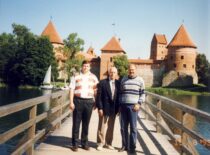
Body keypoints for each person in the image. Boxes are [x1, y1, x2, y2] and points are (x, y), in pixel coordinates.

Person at [69, 60, 98, 152]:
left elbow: (96, 91)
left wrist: (96, 102)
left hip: (89, 101)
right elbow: (71, 89)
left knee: (86, 124)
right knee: (76, 123)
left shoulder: (94, 77)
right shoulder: (75, 76)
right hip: (78, 101)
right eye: (84, 66)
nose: (85, 67)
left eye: (87, 66)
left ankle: (84, 143)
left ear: (90, 67)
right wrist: (71, 102)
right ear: (82, 66)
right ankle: (75, 144)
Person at [119, 64, 145, 153]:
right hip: (123, 106)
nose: (131, 71)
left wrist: (139, 103)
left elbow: (143, 94)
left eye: (133, 70)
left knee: (133, 128)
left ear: (136, 70)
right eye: (130, 70)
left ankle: (132, 147)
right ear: (128, 70)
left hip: (134, 107)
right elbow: (120, 93)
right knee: (123, 127)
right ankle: (124, 146)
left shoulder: (140, 80)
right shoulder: (123, 79)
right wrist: (120, 104)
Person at [96, 66, 120, 151]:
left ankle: (109, 143)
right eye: (111, 72)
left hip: (114, 109)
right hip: (104, 107)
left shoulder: (118, 83)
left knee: (111, 127)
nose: (112, 74)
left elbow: (119, 97)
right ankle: (100, 143)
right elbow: (98, 97)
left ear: (116, 74)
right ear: (108, 73)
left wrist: (119, 109)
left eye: (114, 72)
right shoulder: (102, 82)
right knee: (102, 126)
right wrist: (100, 108)